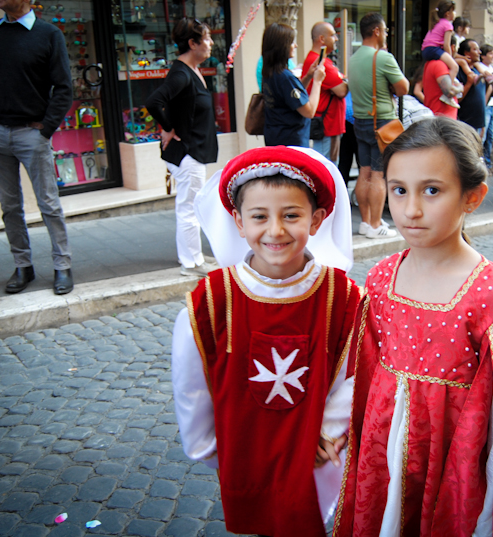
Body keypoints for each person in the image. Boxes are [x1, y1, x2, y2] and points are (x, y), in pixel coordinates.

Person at [334, 117, 493, 536]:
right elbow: (363, 368)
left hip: (446, 459)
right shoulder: (381, 278)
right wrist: (337, 426)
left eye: (431, 190)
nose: (411, 210)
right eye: (398, 190)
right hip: (379, 449)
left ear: (472, 197)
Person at [173, 146, 361, 537]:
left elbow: (356, 370)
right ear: (239, 222)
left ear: (317, 219)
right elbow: (190, 383)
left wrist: (328, 431)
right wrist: (210, 448)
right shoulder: (213, 300)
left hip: (316, 454)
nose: (275, 231)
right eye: (260, 216)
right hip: (247, 455)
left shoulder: (342, 297)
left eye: (291, 215)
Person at [0, 0, 73, 295]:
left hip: (31, 133)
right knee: (9, 206)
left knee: (48, 203)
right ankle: (22, 265)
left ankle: (62, 265)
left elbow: (64, 87)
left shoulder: (48, 34)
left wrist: (46, 129)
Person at [146, 18, 218, 277]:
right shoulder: (181, 73)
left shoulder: (192, 70)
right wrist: (167, 127)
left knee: (191, 206)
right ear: (192, 43)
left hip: (193, 152)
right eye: (206, 38)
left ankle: (193, 256)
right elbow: (154, 101)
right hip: (188, 153)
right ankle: (191, 263)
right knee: (189, 208)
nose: (211, 43)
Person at [348, 12, 408, 239]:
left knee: (364, 172)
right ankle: (375, 225)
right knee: (379, 175)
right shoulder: (383, 57)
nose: (386, 34)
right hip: (382, 123)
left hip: (360, 122)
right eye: (385, 30)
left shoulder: (353, 59)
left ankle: (366, 222)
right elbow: (403, 88)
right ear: (376, 31)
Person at [261, 23, 325, 148]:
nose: (295, 45)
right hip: (292, 142)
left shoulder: (270, 73)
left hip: (275, 138)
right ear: (282, 46)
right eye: (291, 42)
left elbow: (291, 97)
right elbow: (309, 111)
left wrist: (308, 77)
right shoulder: (285, 77)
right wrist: (317, 82)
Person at [302, 22, 348, 162]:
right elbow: (342, 90)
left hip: (326, 126)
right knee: (326, 166)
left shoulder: (317, 60)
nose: (336, 39)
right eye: (333, 35)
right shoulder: (321, 63)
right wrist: (344, 80)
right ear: (322, 39)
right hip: (328, 127)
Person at [420, 1, 461, 108]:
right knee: (454, 66)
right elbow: (447, 44)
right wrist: (450, 58)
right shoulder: (448, 25)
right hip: (434, 49)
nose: (455, 13)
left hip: (426, 49)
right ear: (448, 14)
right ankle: (448, 93)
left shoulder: (437, 23)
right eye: (454, 11)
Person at [455, 39, 486, 133]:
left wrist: (482, 123)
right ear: (466, 53)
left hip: (478, 123)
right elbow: (457, 100)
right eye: (475, 49)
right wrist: (468, 83)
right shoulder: (458, 72)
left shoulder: (477, 71)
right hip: (464, 123)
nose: (479, 52)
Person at [423, 55, 459, 119]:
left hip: (440, 118)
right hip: (442, 119)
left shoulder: (432, 63)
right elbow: (449, 91)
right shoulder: (439, 64)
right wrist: (460, 88)